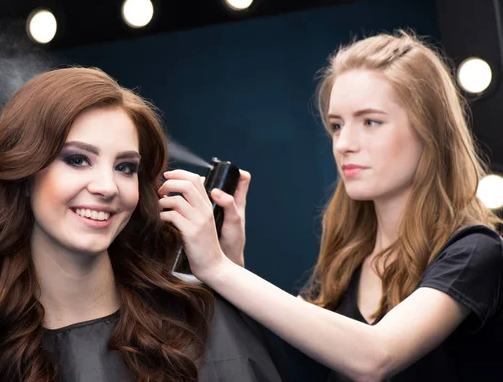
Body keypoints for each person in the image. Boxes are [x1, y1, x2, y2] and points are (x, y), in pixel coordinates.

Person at [158, 30, 503, 381]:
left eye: (370, 122)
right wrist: (233, 263)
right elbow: (280, 362)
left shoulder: (473, 252)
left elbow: (375, 356)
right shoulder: (346, 261)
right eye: (337, 125)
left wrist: (218, 268)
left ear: (429, 130)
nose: (344, 144)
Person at [0, 67, 283, 382]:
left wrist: (226, 273)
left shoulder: (204, 327)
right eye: (77, 160)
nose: (106, 187)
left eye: (125, 167)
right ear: (23, 172)